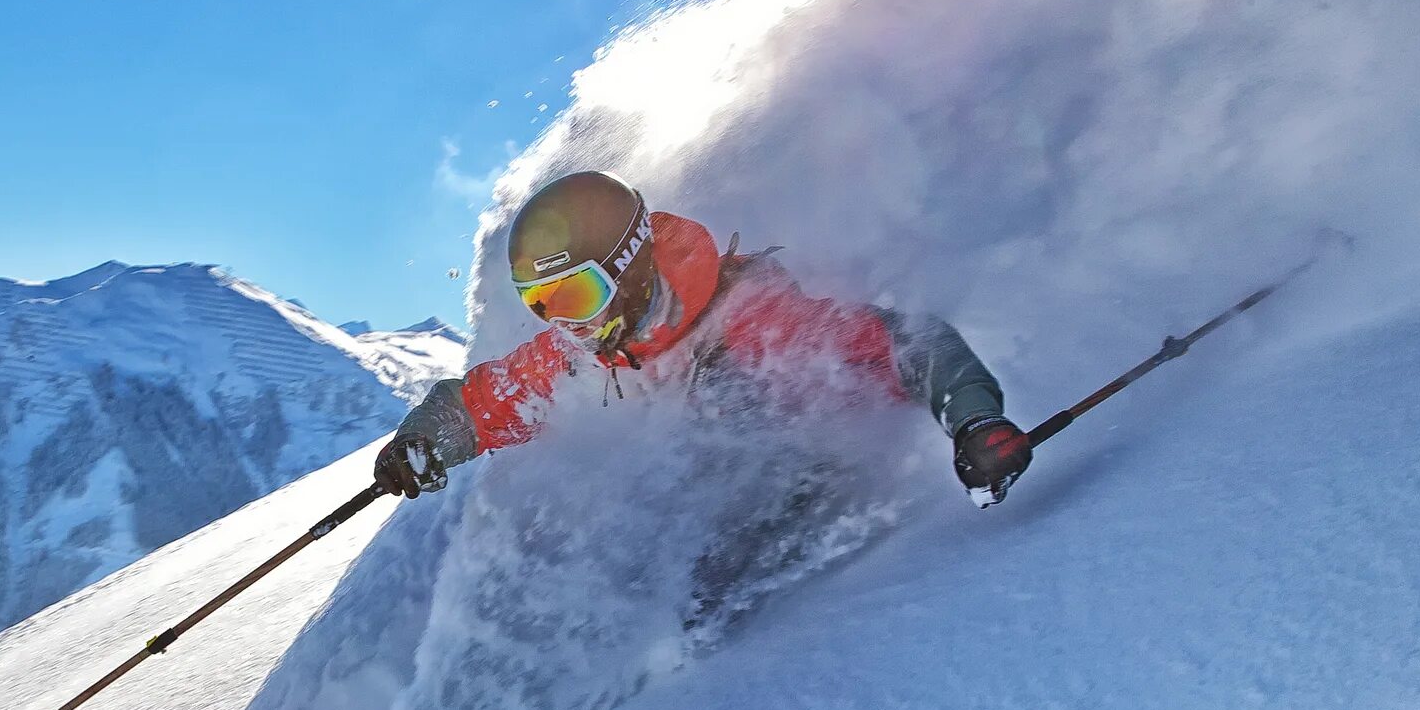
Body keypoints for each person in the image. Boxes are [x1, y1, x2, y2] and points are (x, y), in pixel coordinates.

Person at [374, 169, 1035, 503]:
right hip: (674, 544)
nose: (565, 323)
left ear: (630, 270)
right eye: (542, 304)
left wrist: (975, 423)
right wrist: (422, 444)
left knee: (723, 391)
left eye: (577, 295)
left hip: (799, 500)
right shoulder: (582, 352)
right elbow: (484, 404)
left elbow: (908, 344)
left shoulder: (751, 319)